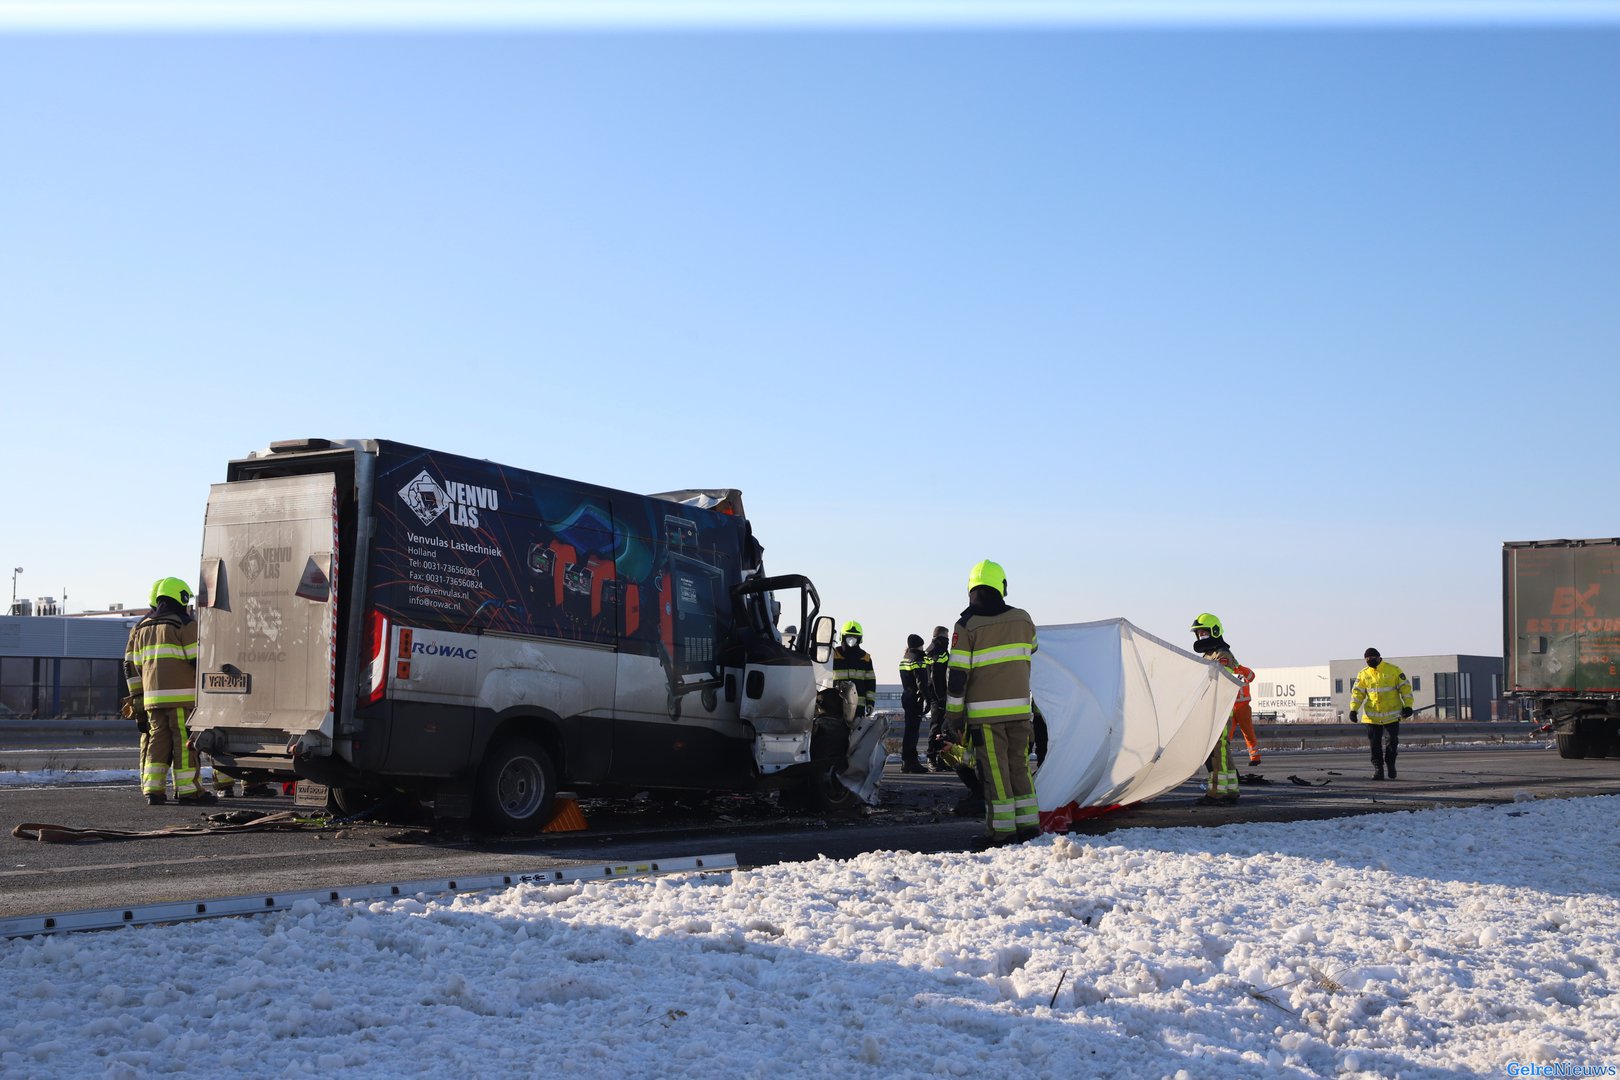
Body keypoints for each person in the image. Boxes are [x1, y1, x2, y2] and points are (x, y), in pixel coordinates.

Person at [945, 560, 1040, 846]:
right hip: (1021, 713)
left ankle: (1001, 833)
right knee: (1019, 768)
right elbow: (1032, 648)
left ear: (972, 590)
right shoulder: (1023, 619)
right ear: (1002, 587)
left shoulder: (967, 626)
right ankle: (1029, 827)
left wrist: (954, 718)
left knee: (996, 774)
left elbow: (958, 678)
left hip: (986, 717)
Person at [124, 577, 217, 806]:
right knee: (184, 743)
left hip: (151, 701)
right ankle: (188, 791)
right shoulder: (184, 625)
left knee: (157, 741)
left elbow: (131, 666)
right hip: (182, 698)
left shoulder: (140, 628)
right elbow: (199, 661)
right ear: (182, 598)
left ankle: (153, 790)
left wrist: (137, 699)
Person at [1189, 613, 1241, 805]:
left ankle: (1217, 793)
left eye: (1204, 632)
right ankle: (1231, 790)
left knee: (1218, 750)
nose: (1201, 636)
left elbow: (1223, 682)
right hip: (1212, 707)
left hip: (1221, 707)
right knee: (1220, 749)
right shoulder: (1209, 654)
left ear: (1215, 631)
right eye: (1199, 633)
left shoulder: (1222, 655)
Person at [1349, 647, 1414, 780]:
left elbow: (1405, 689)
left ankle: (1391, 764)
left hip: (1392, 715)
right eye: (1367, 659)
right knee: (1375, 745)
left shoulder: (1393, 670)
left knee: (1392, 741)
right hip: (1372, 716)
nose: (1370, 661)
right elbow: (1357, 694)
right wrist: (1353, 710)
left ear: (1379, 657)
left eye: (1372, 658)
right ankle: (1378, 769)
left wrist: (1408, 706)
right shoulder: (1363, 674)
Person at [897, 633, 929, 772]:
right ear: (920, 645)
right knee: (913, 732)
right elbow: (921, 682)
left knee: (909, 731)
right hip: (916, 698)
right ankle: (912, 762)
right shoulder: (918, 659)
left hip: (907, 696)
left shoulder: (905, 659)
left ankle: (906, 762)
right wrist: (927, 698)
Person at [831, 620, 876, 716]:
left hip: (858, 707)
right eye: (848, 636)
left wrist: (870, 703)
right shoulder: (833, 655)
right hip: (836, 704)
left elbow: (870, 683)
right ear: (843, 637)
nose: (851, 640)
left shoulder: (865, 658)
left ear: (859, 639)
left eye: (854, 637)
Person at [923, 624, 951, 770]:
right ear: (941, 637)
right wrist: (939, 696)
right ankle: (931, 758)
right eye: (947, 637)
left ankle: (941, 758)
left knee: (942, 728)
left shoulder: (932, 650)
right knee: (936, 727)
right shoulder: (937, 651)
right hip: (938, 695)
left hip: (939, 694)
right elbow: (934, 676)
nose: (948, 640)